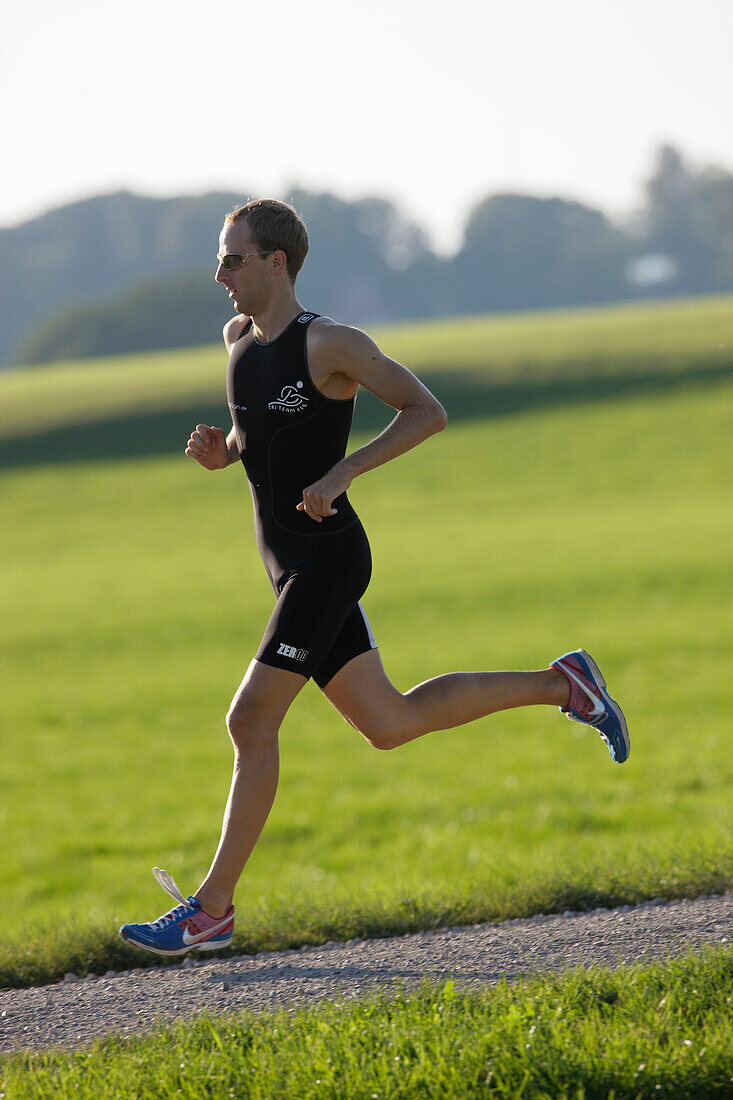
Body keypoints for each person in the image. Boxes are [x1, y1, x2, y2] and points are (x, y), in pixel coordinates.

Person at [119, 199, 629, 956]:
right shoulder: (235, 341)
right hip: (288, 565)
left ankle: (211, 909)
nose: (219, 273)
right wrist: (222, 454)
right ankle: (567, 685)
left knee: (248, 722)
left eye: (232, 258)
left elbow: (427, 411)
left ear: (275, 263)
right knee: (387, 724)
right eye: (219, 258)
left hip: (327, 557)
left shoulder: (331, 344)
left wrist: (346, 469)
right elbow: (256, 435)